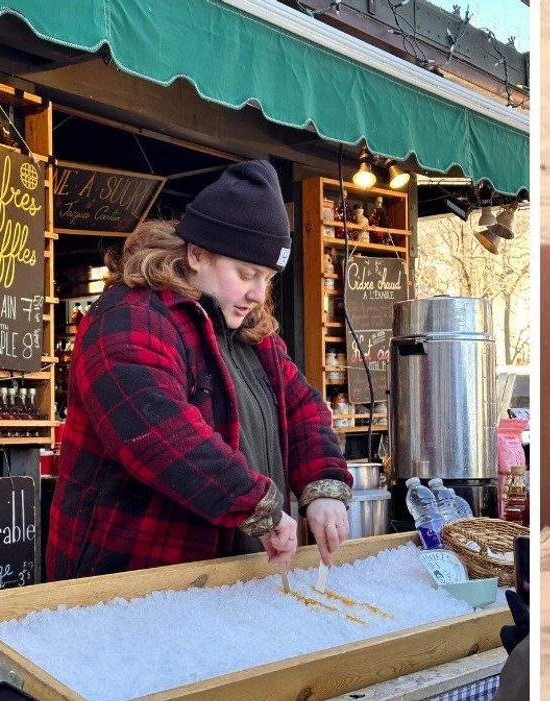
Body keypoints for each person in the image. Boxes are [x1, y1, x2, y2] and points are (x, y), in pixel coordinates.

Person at [48, 160, 353, 580]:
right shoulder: (128, 316)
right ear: (196, 254)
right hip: (129, 580)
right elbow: (158, 433)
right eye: (246, 274)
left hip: (234, 578)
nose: (258, 294)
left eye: (267, 278)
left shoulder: (254, 334)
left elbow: (303, 408)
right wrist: (255, 504)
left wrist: (324, 486)